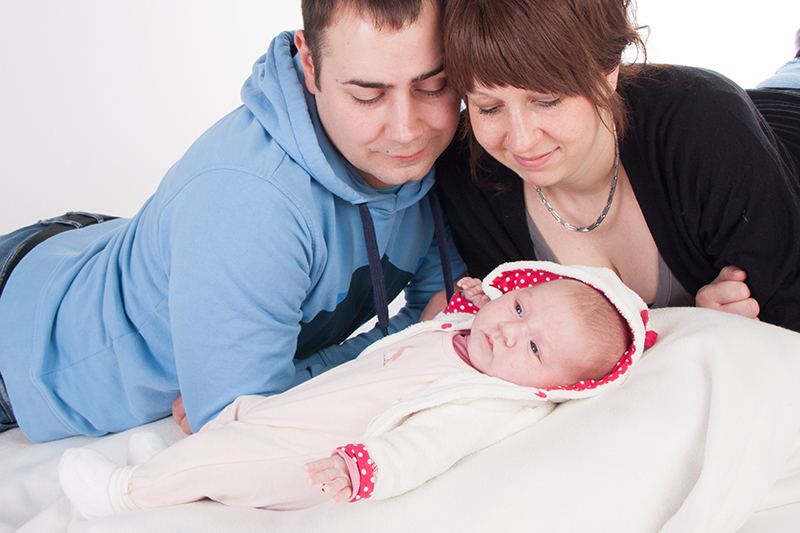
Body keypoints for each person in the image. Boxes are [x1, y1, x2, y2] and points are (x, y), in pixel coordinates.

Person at [0, 0, 465, 443]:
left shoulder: (441, 154)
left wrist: (297, 378)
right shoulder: (249, 203)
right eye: (368, 95)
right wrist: (250, 400)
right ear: (309, 65)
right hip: (22, 337)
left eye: (433, 85)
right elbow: (248, 431)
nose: (407, 130)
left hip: (92, 245)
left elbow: (450, 321)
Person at [57, 260, 655, 517]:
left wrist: (364, 468)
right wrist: (477, 302)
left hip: (318, 457)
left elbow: (426, 446)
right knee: (240, 415)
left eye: (535, 349)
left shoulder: (484, 401)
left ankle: (123, 494)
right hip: (301, 410)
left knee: (231, 460)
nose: (508, 330)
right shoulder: (472, 333)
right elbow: (456, 323)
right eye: (520, 307)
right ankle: (171, 471)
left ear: (553, 388)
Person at [434, 0, 800, 332]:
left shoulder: (707, 123)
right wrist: (692, 327)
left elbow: (786, 328)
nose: (522, 140)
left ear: (608, 71)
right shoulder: (467, 174)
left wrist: (718, 334)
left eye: (548, 100)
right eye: (489, 108)